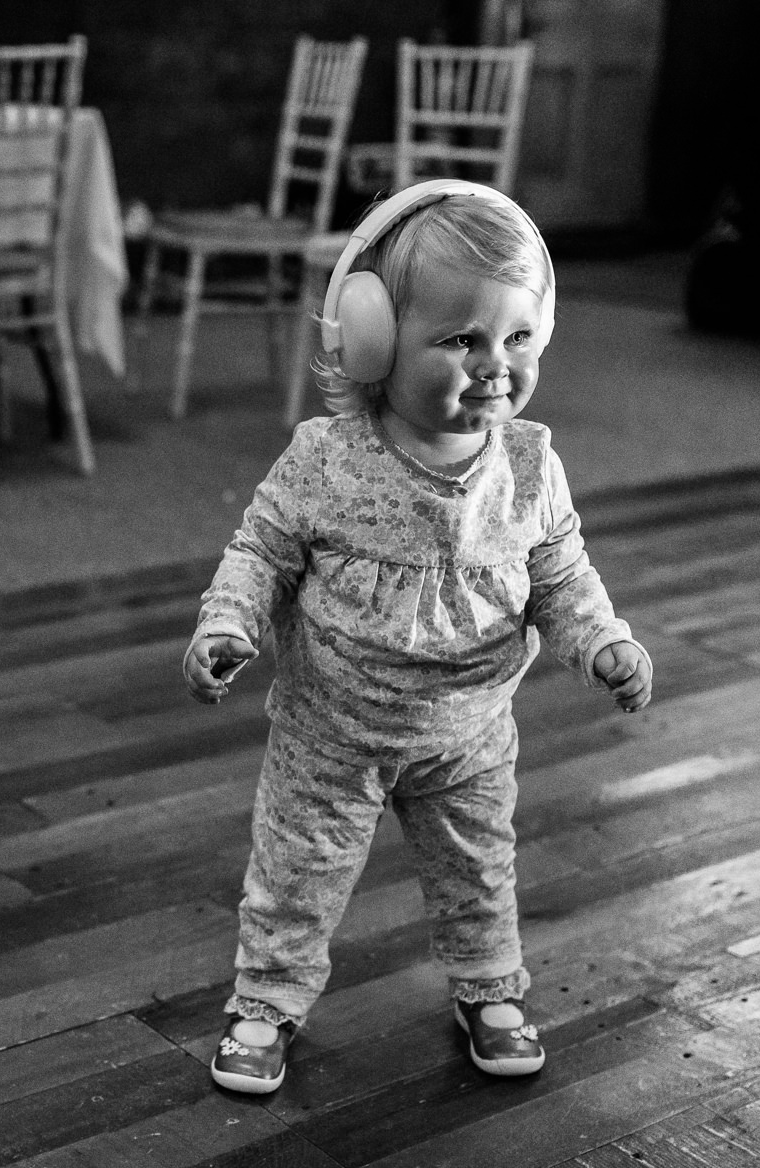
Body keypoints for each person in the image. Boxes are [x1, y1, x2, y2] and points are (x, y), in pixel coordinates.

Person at [182, 181, 653, 1093]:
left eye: (517, 337)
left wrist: (603, 641)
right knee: (297, 876)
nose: (493, 365)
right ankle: (266, 1001)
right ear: (371, 342)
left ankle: (489, 989)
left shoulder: (529, 464)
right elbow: (261, 551)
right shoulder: (326, 457)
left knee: (481, 872)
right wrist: (227, 621)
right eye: (459, 339)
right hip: (331, 733)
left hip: (469, 736)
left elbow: (560, 574)